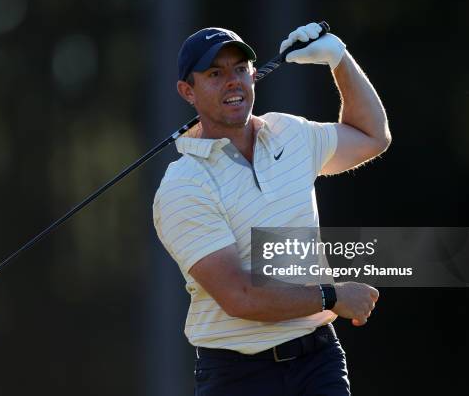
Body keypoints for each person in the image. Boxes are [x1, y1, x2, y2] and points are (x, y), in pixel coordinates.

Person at [152, 22, 390, 396]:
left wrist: (339, 59)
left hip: (318, 360)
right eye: (215, 74)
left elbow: (372, 136)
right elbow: (239, 296)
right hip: (238, 376)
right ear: (188, 91)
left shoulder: (289, 133)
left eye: (240, 69)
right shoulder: (184, 185)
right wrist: (333, 296)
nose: (233, 81)